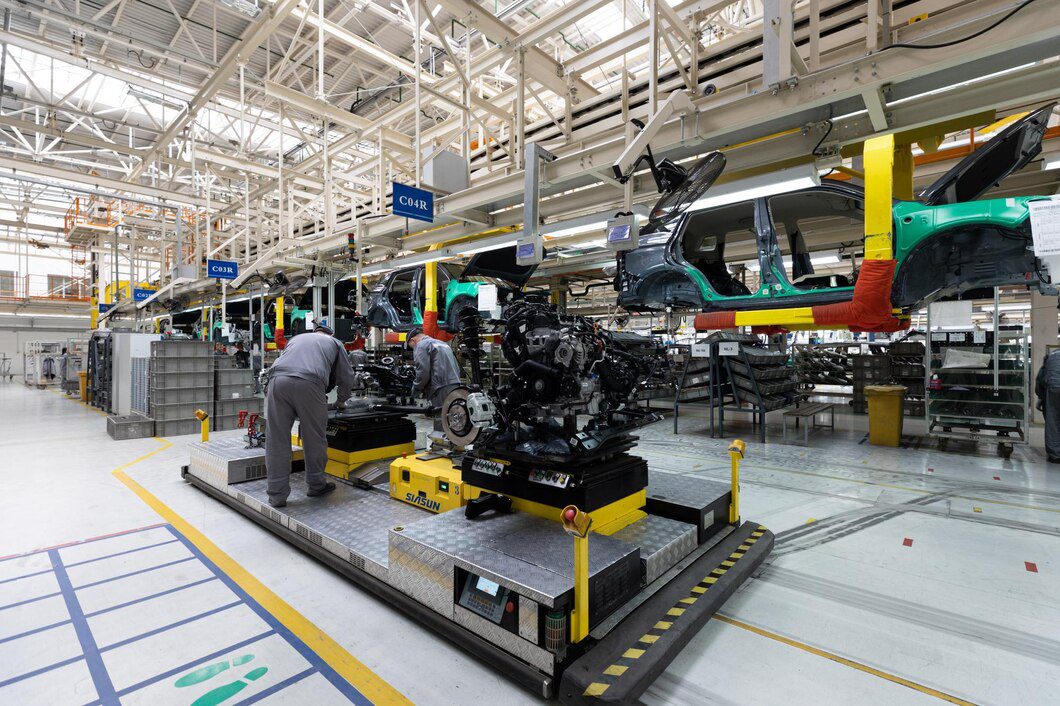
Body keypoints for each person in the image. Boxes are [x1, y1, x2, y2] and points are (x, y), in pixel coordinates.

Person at [265, 324, 354, 507]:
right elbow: (346, 376)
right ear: (331, 334)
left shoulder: (296, 339)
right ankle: (316, 485)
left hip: (276, 381)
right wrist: (341, 401)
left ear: (315, 332)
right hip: (309, 383)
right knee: (314, 438)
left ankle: (276, 495)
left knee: (276, 439)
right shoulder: (335, 343)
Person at [407, 326, 462, 409]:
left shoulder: (421, 345)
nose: (414, 349)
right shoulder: (443, 343)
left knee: (440, 417)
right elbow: (456, 365)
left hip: (440, 388)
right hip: (455, 385)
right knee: (452, 417)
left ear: (413, 340)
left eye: (412, 347)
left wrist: (416, 388)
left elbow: (423, 371)